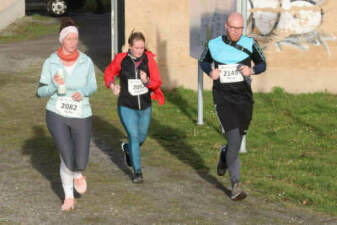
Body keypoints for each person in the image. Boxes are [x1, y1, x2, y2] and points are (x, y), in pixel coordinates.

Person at [199, 12, 266, 201]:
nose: (236, 32)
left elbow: (263, 64)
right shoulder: (213, 44)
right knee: (234, 139)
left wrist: (252, 69)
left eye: (240, 28)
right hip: (223, 97)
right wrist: (210, 71)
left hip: (244, 98)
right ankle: (235, 185)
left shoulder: (250, 43)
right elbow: (203, 61)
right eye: (233, 28)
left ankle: (225, 154)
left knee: (236, 141)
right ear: (226, 27)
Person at [36, 18, 97, 211]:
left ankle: (79, 173)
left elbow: (93, 85)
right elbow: (40, 91)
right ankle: (68, 196)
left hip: (81, 113)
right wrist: (53, 85)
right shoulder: (51, 62)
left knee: (80, 161)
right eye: (69, 38)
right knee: (66, 156)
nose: (73, 42)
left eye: (75, 38)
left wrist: (84, 91)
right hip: (57, 113)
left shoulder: (86, 61)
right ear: (62, 39)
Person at [104, 31, 164, 184]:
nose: (139, 51)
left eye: (142, 48)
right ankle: (138, 172)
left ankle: (128, 149)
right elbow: (109, 73)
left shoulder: (149, 60)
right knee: (134, 136)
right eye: (136, 48)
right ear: (130, 47)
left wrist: (147, 82)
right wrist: (112, 85)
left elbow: (157, 82)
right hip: (126, 105)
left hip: (145, 106)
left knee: (141, 137)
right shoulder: (121, 59)